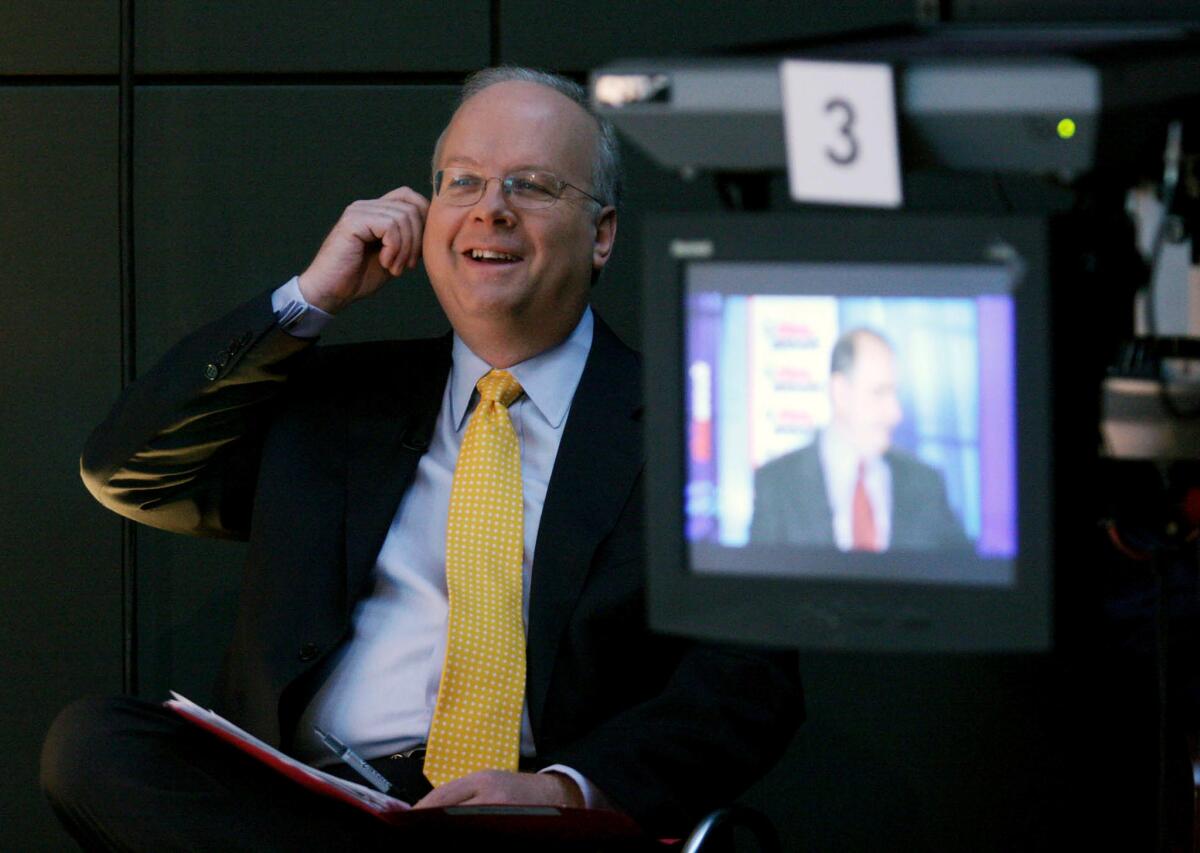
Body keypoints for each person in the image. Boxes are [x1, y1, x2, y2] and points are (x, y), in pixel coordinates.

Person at [40, 67, 801, 851]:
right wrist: (310, 298)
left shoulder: (696, 425)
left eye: (532, 185)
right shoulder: (336, 403)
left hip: (528, 818)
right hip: (304, 806)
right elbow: (131, 469)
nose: (491, 208)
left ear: (601, 232)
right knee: (94, 743)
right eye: (462, 182)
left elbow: (749, 681)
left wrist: (564, 789)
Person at [749, 327, 967, 550]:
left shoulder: (927, 484)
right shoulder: (776, 484)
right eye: (880, 392)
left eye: (895, 394)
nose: (895, 413)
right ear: (840, 392)